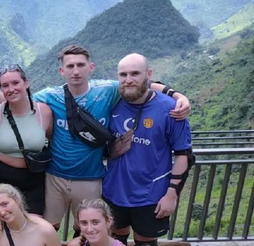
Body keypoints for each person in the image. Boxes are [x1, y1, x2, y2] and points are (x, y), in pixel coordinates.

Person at [33, 45, 191, 232]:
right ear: (62, 71)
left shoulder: (108, 91)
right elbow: (18, 98)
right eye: (70, 66)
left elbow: (143, 83)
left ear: (91, 67)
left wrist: (178, 96)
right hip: (55, 175)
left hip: (91, 177)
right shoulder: (50, 95)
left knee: (85, 229)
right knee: (48, 227)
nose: (75, 71)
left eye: (81, 65)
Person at [102, 53, 193, 246]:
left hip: (151, 196)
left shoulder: (171, 109)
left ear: (148, 74)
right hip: (113, 191)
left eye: (135, 74)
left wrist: (172, 193)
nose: (129, 79)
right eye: (123, 74)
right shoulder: (112, 102)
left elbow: (183, 154)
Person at [0, 65, 53, 215]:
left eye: (15, 83)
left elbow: (55, 140)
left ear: (26, 83)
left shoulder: (44, 112)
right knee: (4, 227)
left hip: (33, 179)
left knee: (33, 225)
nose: (11, 89)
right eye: (5, 85)